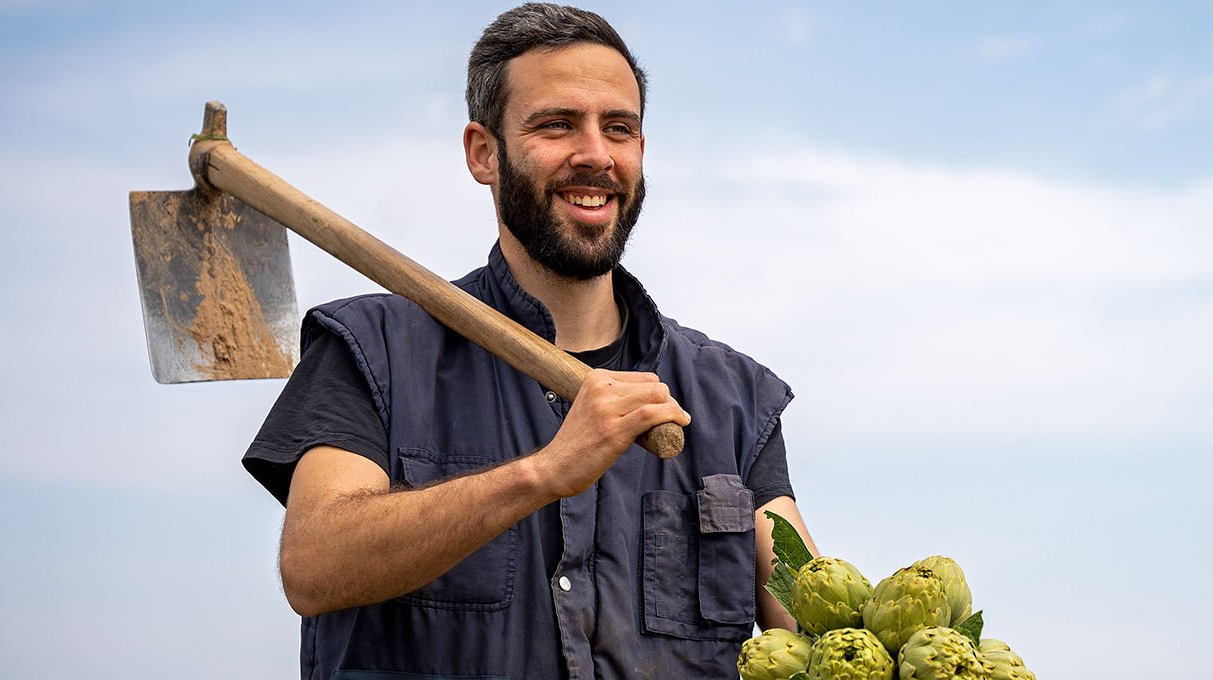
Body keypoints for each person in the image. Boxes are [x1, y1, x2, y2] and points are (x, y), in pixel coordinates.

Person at [239, 4, 815, 679]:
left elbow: (819, 623)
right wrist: (540, 475)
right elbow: (314, 566)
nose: (595, 154)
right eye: (556, 124)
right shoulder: (374, 350)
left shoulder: (733, 400)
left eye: (619, 128)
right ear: (484, 153)